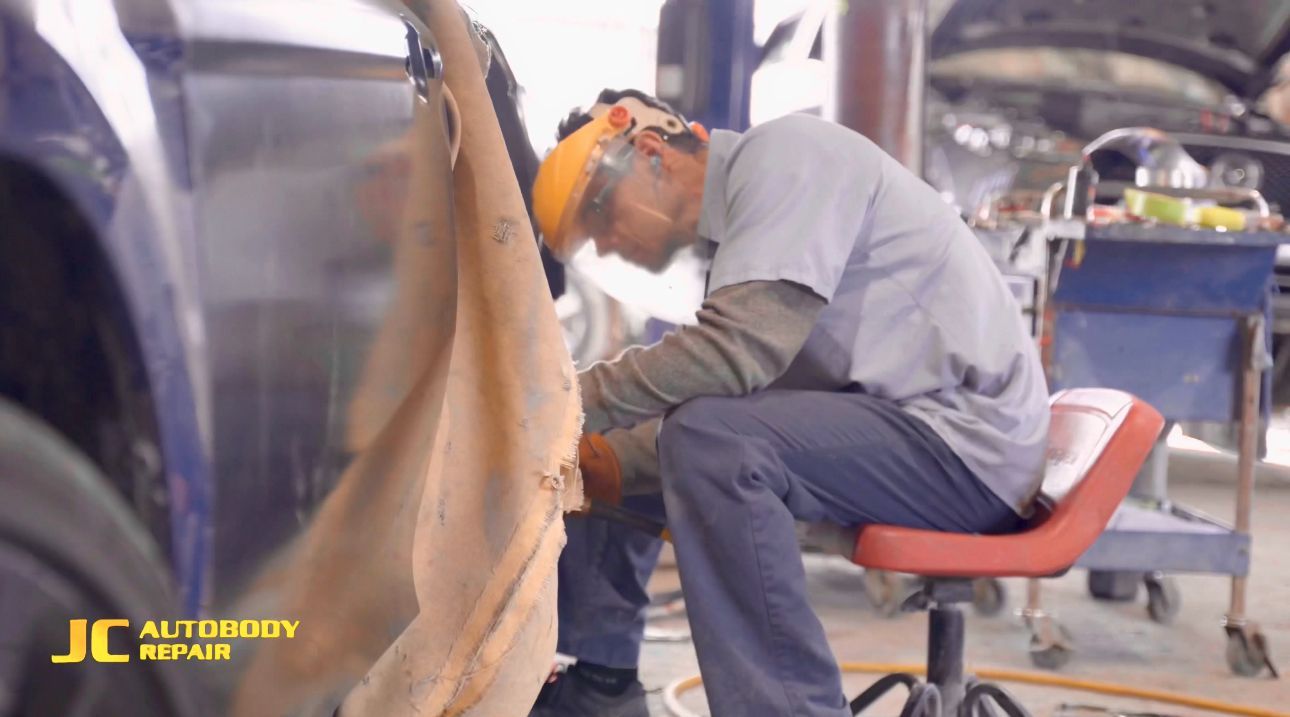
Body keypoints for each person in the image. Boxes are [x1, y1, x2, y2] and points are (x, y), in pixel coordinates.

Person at [527, 89, 1049, 717]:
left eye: (602, 215)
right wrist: (597, 457)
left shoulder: (787, 156)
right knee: (603, 447)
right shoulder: (746, 225)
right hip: (904, 431)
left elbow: (734, 357)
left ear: (650, 153)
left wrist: (559, 403)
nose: (607, 246)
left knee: (705, 438)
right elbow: (748, 388)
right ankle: (601, 683)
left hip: (966, 449)